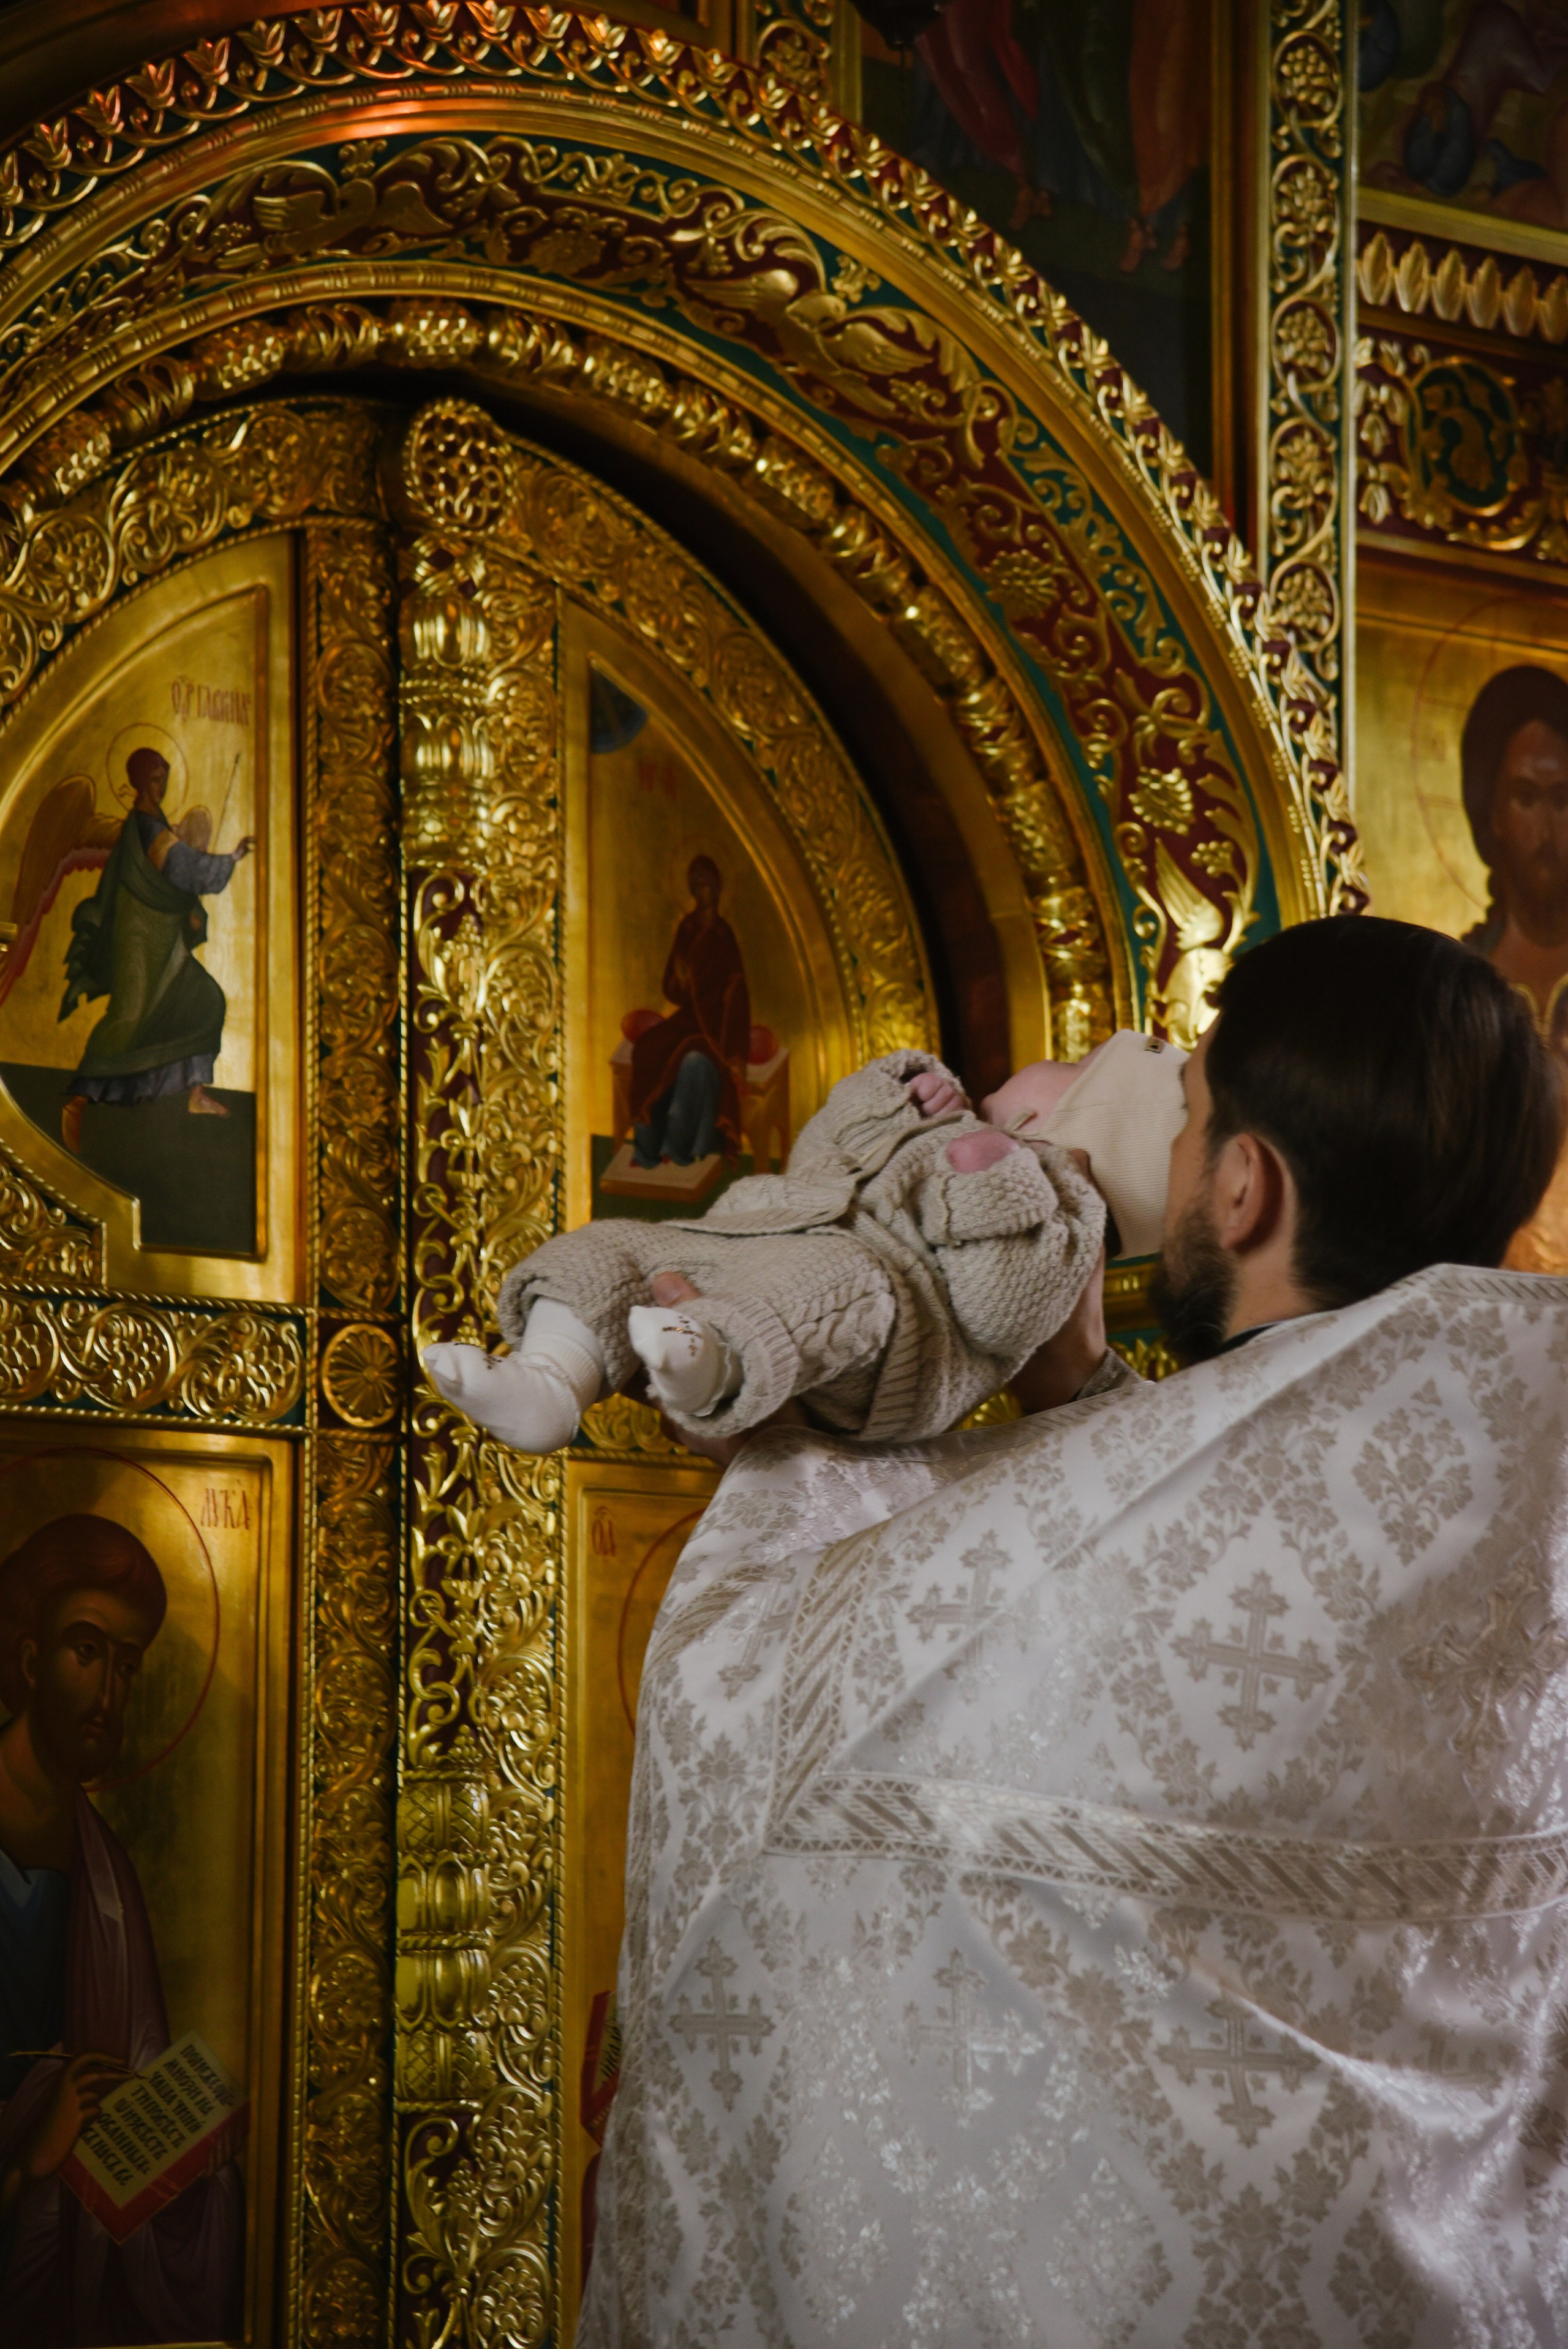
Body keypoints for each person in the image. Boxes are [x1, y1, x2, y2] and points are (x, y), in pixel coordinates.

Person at [576, 916, 1568, 2348]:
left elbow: (751, 1716)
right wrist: (1083, 1395)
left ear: (1242, 1185)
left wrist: (803, 1396)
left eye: (1186, 1113)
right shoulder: (1517, 1500)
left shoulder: (1137, 1557)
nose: (1164, 1154)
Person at [422, 1031, 1187, 1452]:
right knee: (613, 1250)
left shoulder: (1059, 1220)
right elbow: (823, 1154)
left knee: (834, 1282)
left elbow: (998, 1313)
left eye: (1079, 1064)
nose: (1060, 1052)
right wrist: (893, 1094)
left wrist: (999, 1186)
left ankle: (707, 1364)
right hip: (755, 1239)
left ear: (1082, 1122)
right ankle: (550, 1382)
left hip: (883, 1328)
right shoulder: (943, 1127)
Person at [0, 1514, 242, 2343]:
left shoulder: (106, 1871)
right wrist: (32, 2146)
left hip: (69, 2221)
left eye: (129, 1667)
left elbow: (135, 2066)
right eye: (87, 1649)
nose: (110, 1696)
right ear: (31, 1658)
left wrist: (173, 2133)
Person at [58, 747, 254, 1158]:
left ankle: (195, 1093)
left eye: (165, 778)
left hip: (166, 943)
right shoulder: (146, 827)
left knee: (206, 1001)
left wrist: (189, 910)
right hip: (139, 941)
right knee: (128, 1019)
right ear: (139, 781)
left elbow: (176, 884)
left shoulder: (158, 824)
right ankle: (78, 1097)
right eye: (155, 778)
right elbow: (182, 870)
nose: (161, 786)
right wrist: (232, 857)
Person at [628, 856, 750, 1173]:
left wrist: (736, 1054)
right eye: (695, 885)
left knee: (693, 1063)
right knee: (647, 1049)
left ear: (716, 889)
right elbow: (671, 989)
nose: (700, 892)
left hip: (715, 1028)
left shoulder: (724, 937)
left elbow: (737, 997)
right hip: (689, 1020)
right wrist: (680, 979)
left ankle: (677, 1146)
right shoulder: (687, 928)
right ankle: (647, 1146)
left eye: (705, 885)